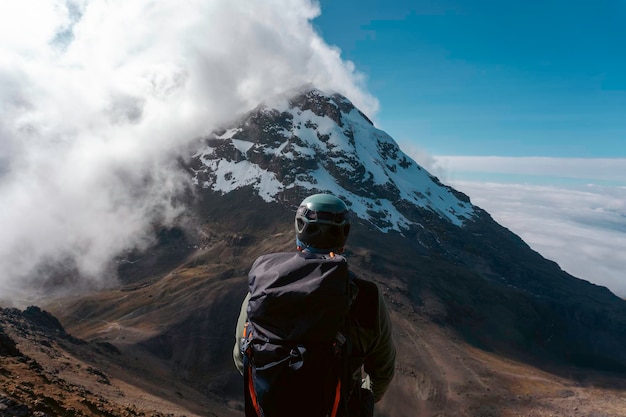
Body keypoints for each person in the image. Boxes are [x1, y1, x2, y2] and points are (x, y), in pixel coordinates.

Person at [233, 193, 396, 416]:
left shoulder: (264, 285)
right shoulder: (366, 297)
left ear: (299, 230)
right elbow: (383, 369)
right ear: (343, 235)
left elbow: (241, 355)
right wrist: (360, 394)